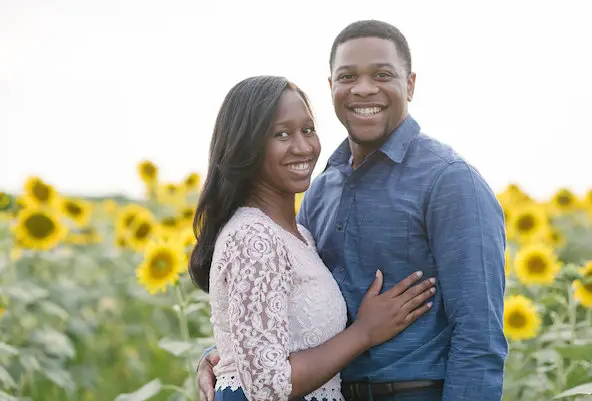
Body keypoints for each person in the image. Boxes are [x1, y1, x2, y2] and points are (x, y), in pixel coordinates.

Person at [197, 20, 508, 401]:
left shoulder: (449, 181)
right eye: (347, 76)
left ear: (409, 84)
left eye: (381, 74)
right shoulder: (320, 189)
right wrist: (226, 357)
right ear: (331, 88)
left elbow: (480, 338)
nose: (363, 88)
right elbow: (293, 312)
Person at [188, 75, 437, 401]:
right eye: (282, 134)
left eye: (307, 130)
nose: (303, 147)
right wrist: (364, 332)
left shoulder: (299, 234)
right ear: (246, 146)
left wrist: (220, 353)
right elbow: (267, 387)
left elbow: (268, 333)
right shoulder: (253, 238)